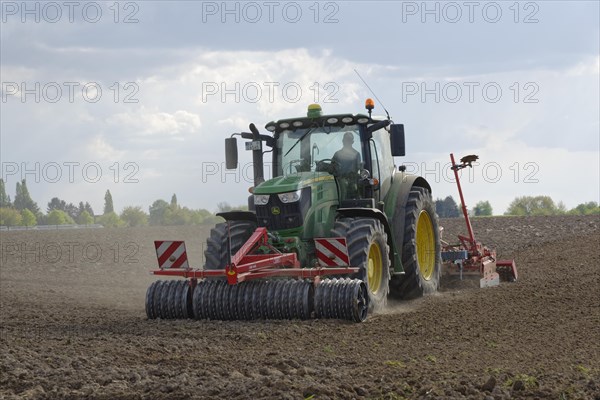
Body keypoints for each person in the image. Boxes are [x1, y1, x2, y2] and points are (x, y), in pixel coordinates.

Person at [332, 132, 361, 198]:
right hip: (339, 180)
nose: (347, 142)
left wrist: (352, 176)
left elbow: (358, 168)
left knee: (355, 188)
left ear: (352, 142)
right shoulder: (337, 154)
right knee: (342, 185)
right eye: (346, 140)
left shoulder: (356, 154)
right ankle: (341, 205)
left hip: (352, 181)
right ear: (343, 141)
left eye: (348, 140)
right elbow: (332, 167)